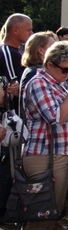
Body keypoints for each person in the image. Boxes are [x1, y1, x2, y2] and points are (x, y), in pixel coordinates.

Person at [18, 41, 68, 230]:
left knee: (49, 212)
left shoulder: (56, 83)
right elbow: (57, 117)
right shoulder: (39, 84)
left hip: (56, 155)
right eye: (65, 70)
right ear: (50, 64)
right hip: (44, 156)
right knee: (43, 213)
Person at [0, 13, 33, 217]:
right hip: (8, 116)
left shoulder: (17, 51)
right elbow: (15, 85)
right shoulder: (7, 52)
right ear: (15, 30)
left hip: (11, 116)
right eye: (28, 29)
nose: (31, 33)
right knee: (7, 164)